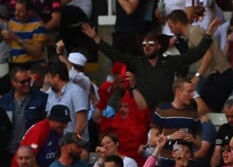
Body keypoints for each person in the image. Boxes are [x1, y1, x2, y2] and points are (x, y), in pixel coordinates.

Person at [81, 18, 219, 110]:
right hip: (144, 114)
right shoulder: (137, 63)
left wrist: (207, 36)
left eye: (151, 44)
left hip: (165, 111)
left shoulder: (170, 62)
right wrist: (96, 38)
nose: (147, 47)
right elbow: (114, 54)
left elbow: (194, 55)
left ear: (159, 46)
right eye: (144, 44)